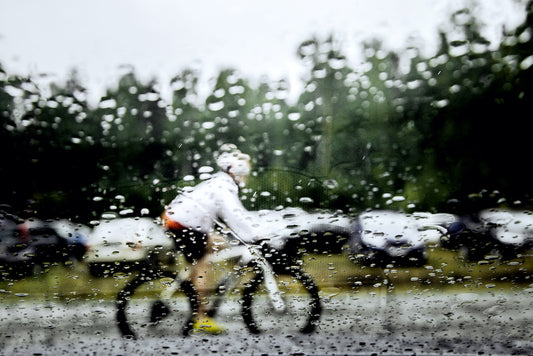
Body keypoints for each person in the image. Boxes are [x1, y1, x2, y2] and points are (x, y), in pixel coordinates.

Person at [161, 144, 259, 334]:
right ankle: (201, 317)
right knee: (203, 264)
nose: (246, 176)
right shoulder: (224, 185)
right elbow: (235, 215)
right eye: (244, 172)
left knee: (220, 244)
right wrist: (255, 235)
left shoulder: (220, 181)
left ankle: (193, 281)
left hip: (182, 222)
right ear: (236, 172)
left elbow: (231, 216)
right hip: (182, 224)